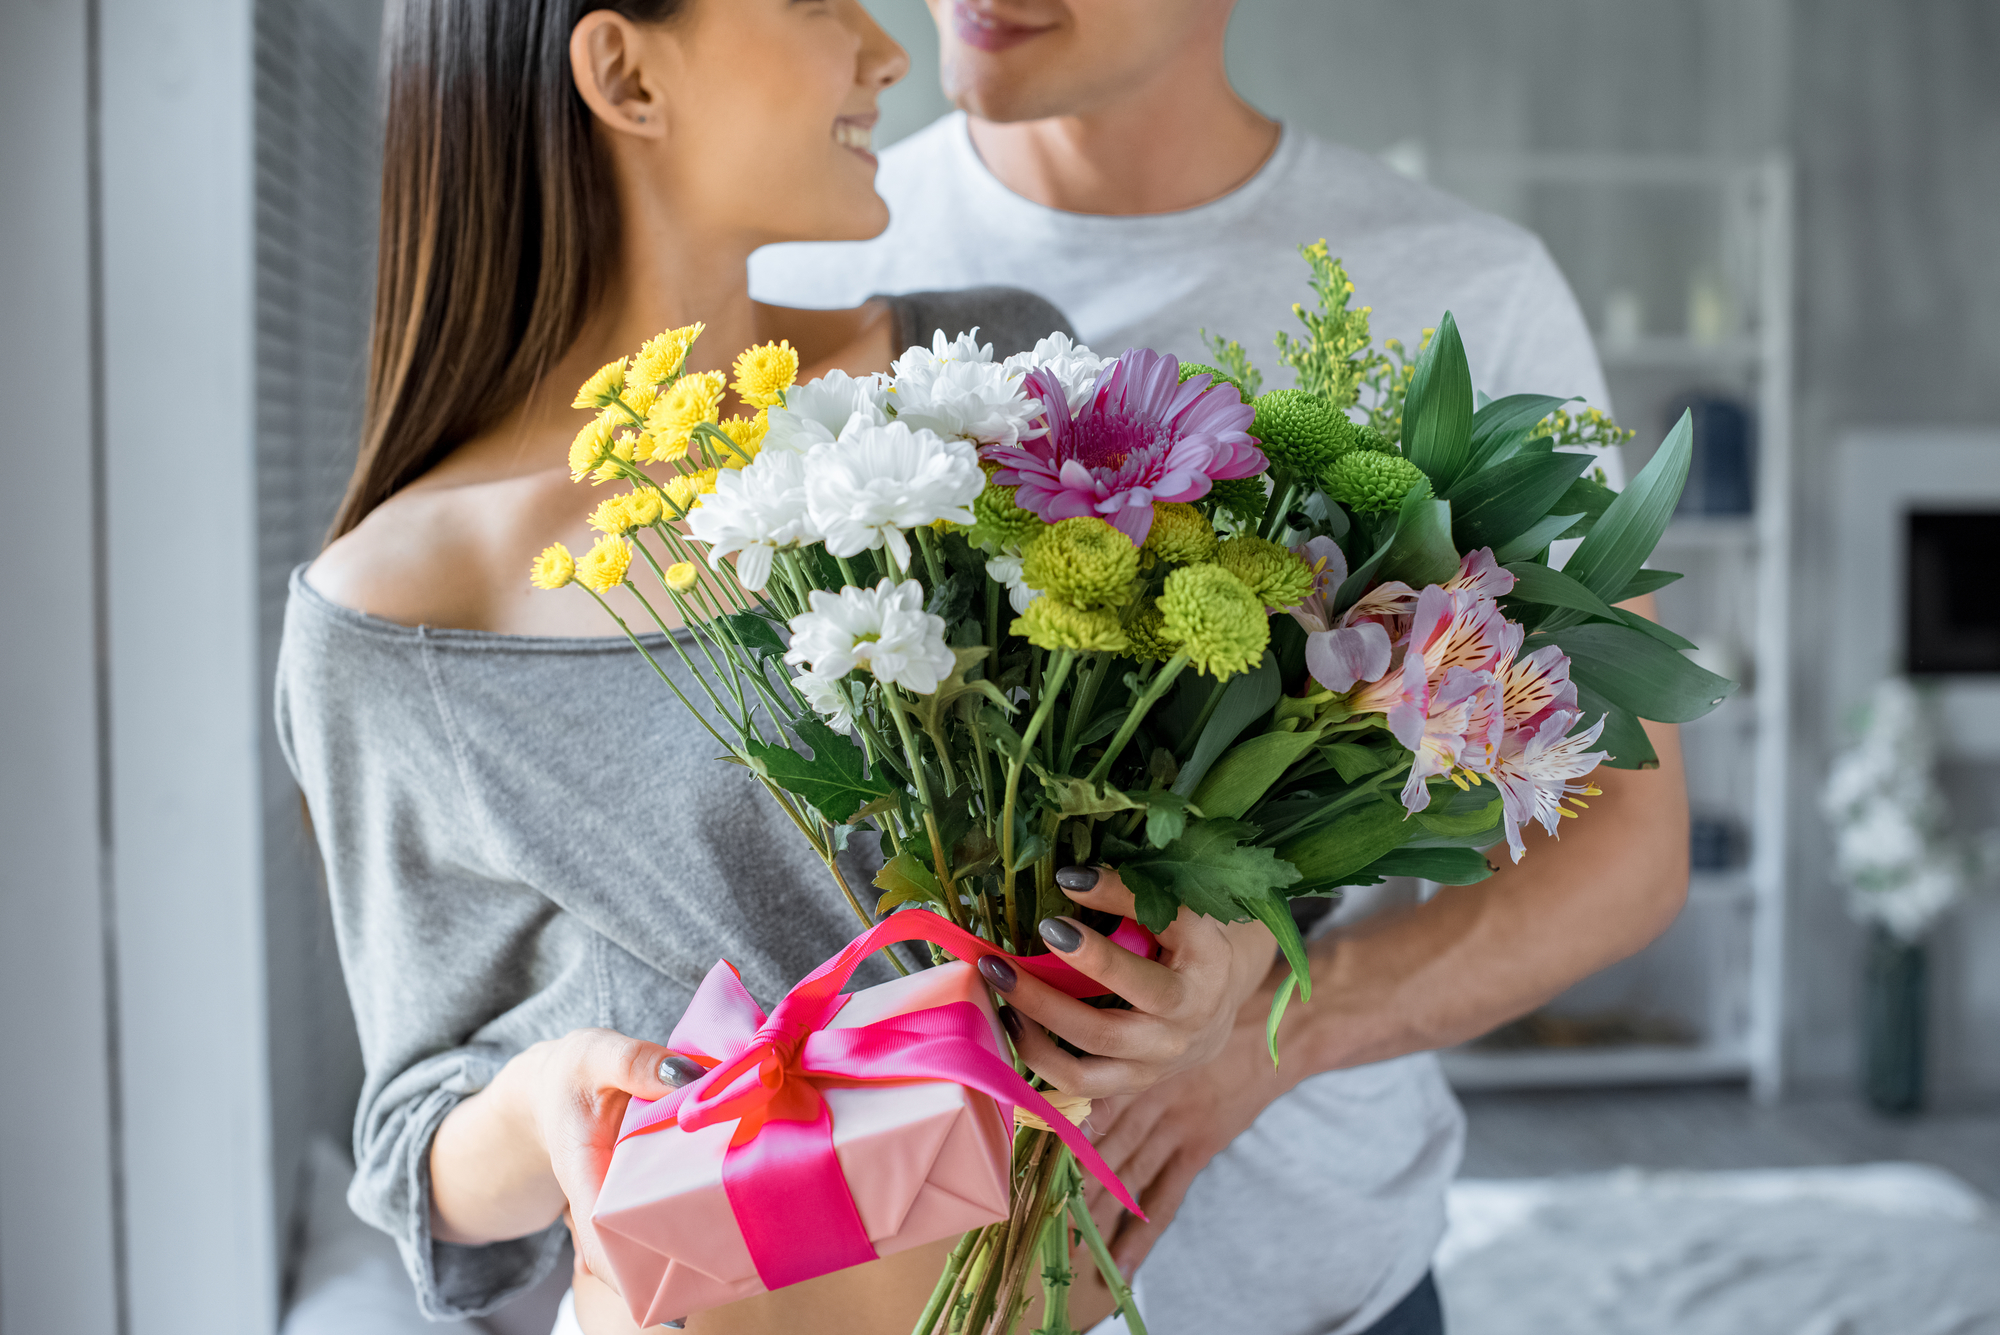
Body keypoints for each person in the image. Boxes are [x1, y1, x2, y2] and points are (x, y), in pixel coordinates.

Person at [281, 3, 1274, 1334]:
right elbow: (416, 1153)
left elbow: (1195, 829)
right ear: (625, 70)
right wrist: (544, 1100)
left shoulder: (982, 386)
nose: (885, 52)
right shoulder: (399, 611)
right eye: (818, 2)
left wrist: (1212, 976)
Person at [752, 3, 1691, 1333]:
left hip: (1326, 1290)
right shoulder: (802, 255)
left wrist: (1270, 1030)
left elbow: (1627, 845)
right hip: (888, 1294)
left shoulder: (1462, 288)